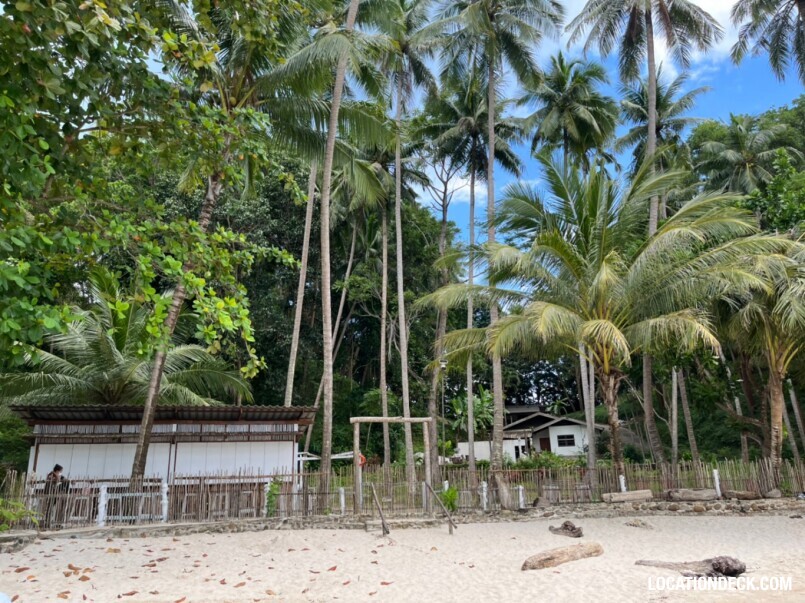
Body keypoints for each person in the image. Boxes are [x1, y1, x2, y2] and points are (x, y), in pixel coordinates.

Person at [42, 464, 67, 529]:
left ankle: (50, 522)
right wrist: (55, 475)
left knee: (52, 509)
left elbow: (63, 479)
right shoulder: (52, 474)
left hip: (54, 494)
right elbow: (56, 480)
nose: (61, 472)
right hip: (50, 494)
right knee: (49, 508)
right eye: (60, 470)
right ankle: (47, 523)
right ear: (58, 470)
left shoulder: (59, 475)